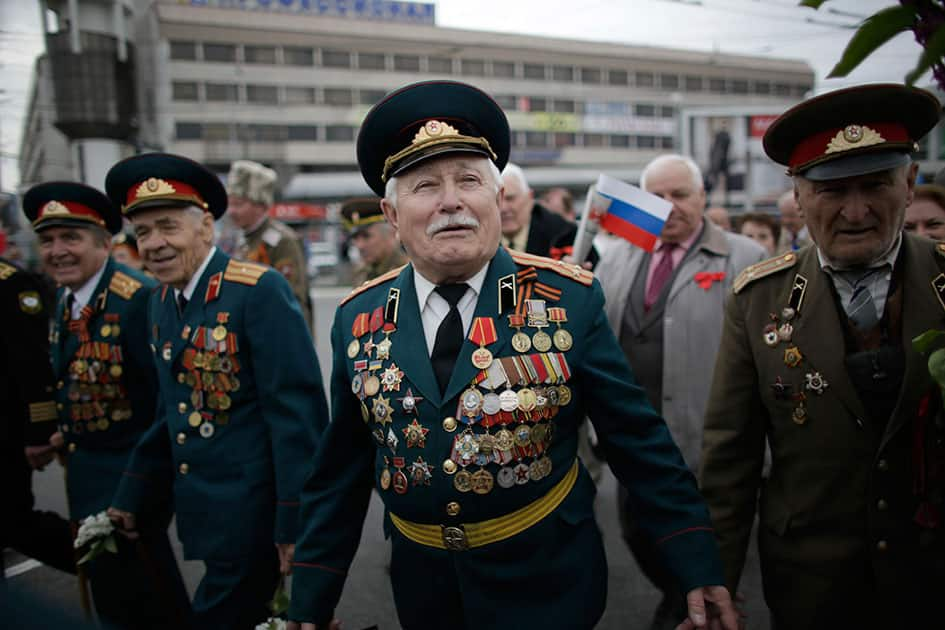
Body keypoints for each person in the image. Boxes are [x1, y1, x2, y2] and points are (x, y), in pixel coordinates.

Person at [286, 79, 737, 630]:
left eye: (469, 181)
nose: (451, 201)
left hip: (548, 582)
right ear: (390, 212)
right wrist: (310, 597)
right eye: (425, 185)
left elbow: (638, 443)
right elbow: (341, 471)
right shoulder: (358, 318)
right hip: (424, 588)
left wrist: (695, 564)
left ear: (497, 199)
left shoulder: (568, 299)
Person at [701, 83, 945, 629]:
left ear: (908, 185)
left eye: (875, 185)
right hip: (814, 585)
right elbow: (730, 461)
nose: (855, 211)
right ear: (800, 196)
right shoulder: (757, 298)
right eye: (833, 190)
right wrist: (716, 581)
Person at [104, 153, 329, 629]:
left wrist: (295, 525)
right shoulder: (161, 300)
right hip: (207, 513)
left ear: (205, 225)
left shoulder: (256, 290)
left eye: (167, 226)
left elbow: (297, 419)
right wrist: (131, 492)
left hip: (256, 520)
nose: (154, 244)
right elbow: (173, 410)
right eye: (142, 233)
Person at [596, 154, 766, 629]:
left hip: (708, 448)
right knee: (638, 535)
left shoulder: (744, 257)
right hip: (635, 447)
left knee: (704, 547)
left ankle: (687, 606)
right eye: (657, 195)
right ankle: (682, 598)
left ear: (703, 197)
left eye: (680, 194)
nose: (668, 206)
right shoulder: (617, 256)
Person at [21, 182, 189, 627]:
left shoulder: (137, 298)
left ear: (104, 242)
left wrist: (137, 493)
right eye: (48, 240)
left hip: (128, 482)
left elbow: (164, 404)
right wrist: (64, 433)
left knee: (147, 601)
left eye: (70, 238)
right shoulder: (67, 297)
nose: (57, 251)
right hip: (86, 473)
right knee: (114, 597)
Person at [1, 255, 75, 576]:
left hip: (5, 428)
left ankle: (104, 562)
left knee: (13, 520)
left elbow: (31, 362)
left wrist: (39, 433)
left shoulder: (10, 283)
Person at [227, 159, 313, 329]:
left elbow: (291, 299)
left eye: (238, 204)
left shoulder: (282, 241)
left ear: (260, 205)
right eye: (230, 204)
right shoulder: (244, 239)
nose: (231, 211)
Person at [500, 163, 597, 265]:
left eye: (510, 198)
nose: (503, 208)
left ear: (530, 198)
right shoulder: (482, 238)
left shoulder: (566, 235)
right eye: (496, 200)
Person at [341, 196, 407, 285]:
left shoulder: (409, 273)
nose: (360, 246)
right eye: (355, 238)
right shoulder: (362, 274)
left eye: (366, 236)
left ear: (391, 233)